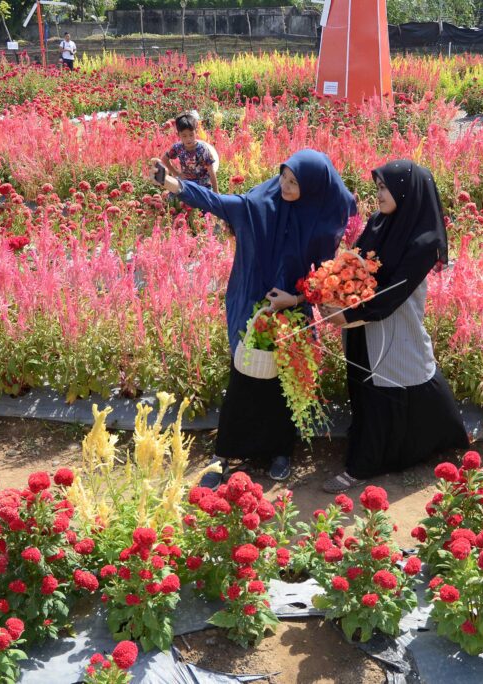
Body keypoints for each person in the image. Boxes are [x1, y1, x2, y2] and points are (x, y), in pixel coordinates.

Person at [151, 149, 356, 485]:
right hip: (251, 305)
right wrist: (171, 182)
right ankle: (224, 454)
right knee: (244, 381)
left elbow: (322, 277)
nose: (286, 186)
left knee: (284, 385)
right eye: (284, 178)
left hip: (292, 311)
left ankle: (280, 452)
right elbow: (217, 202)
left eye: (295, 182)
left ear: (314, 187)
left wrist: (295, 298)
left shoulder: (320, 222)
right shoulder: (258, 204)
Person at [319, 160, 469, 493]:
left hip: (394, 321)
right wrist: (331, 289)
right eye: (378, 188)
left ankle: (364, 465)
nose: (379, 194)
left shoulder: (424, 241)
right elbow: (354, 261)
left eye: (385, 188)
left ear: (406, 190)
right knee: (367, 381)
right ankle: (432, 443)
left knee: (403, 377)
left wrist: (352, 313)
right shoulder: (378, 222)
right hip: (361, 319)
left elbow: (396, 290)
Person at [161, 111, 219, 193]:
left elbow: (211, 171)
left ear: (196, 132)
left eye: (191, 135)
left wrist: (216, 193)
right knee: (171, 198)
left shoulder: (202, 149)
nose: (188, 139)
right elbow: (164, 159)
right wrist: (176, 173)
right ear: (178, 135)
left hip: (202, 185)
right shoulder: (178, 147)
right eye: (184, 136)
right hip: (186, 183)